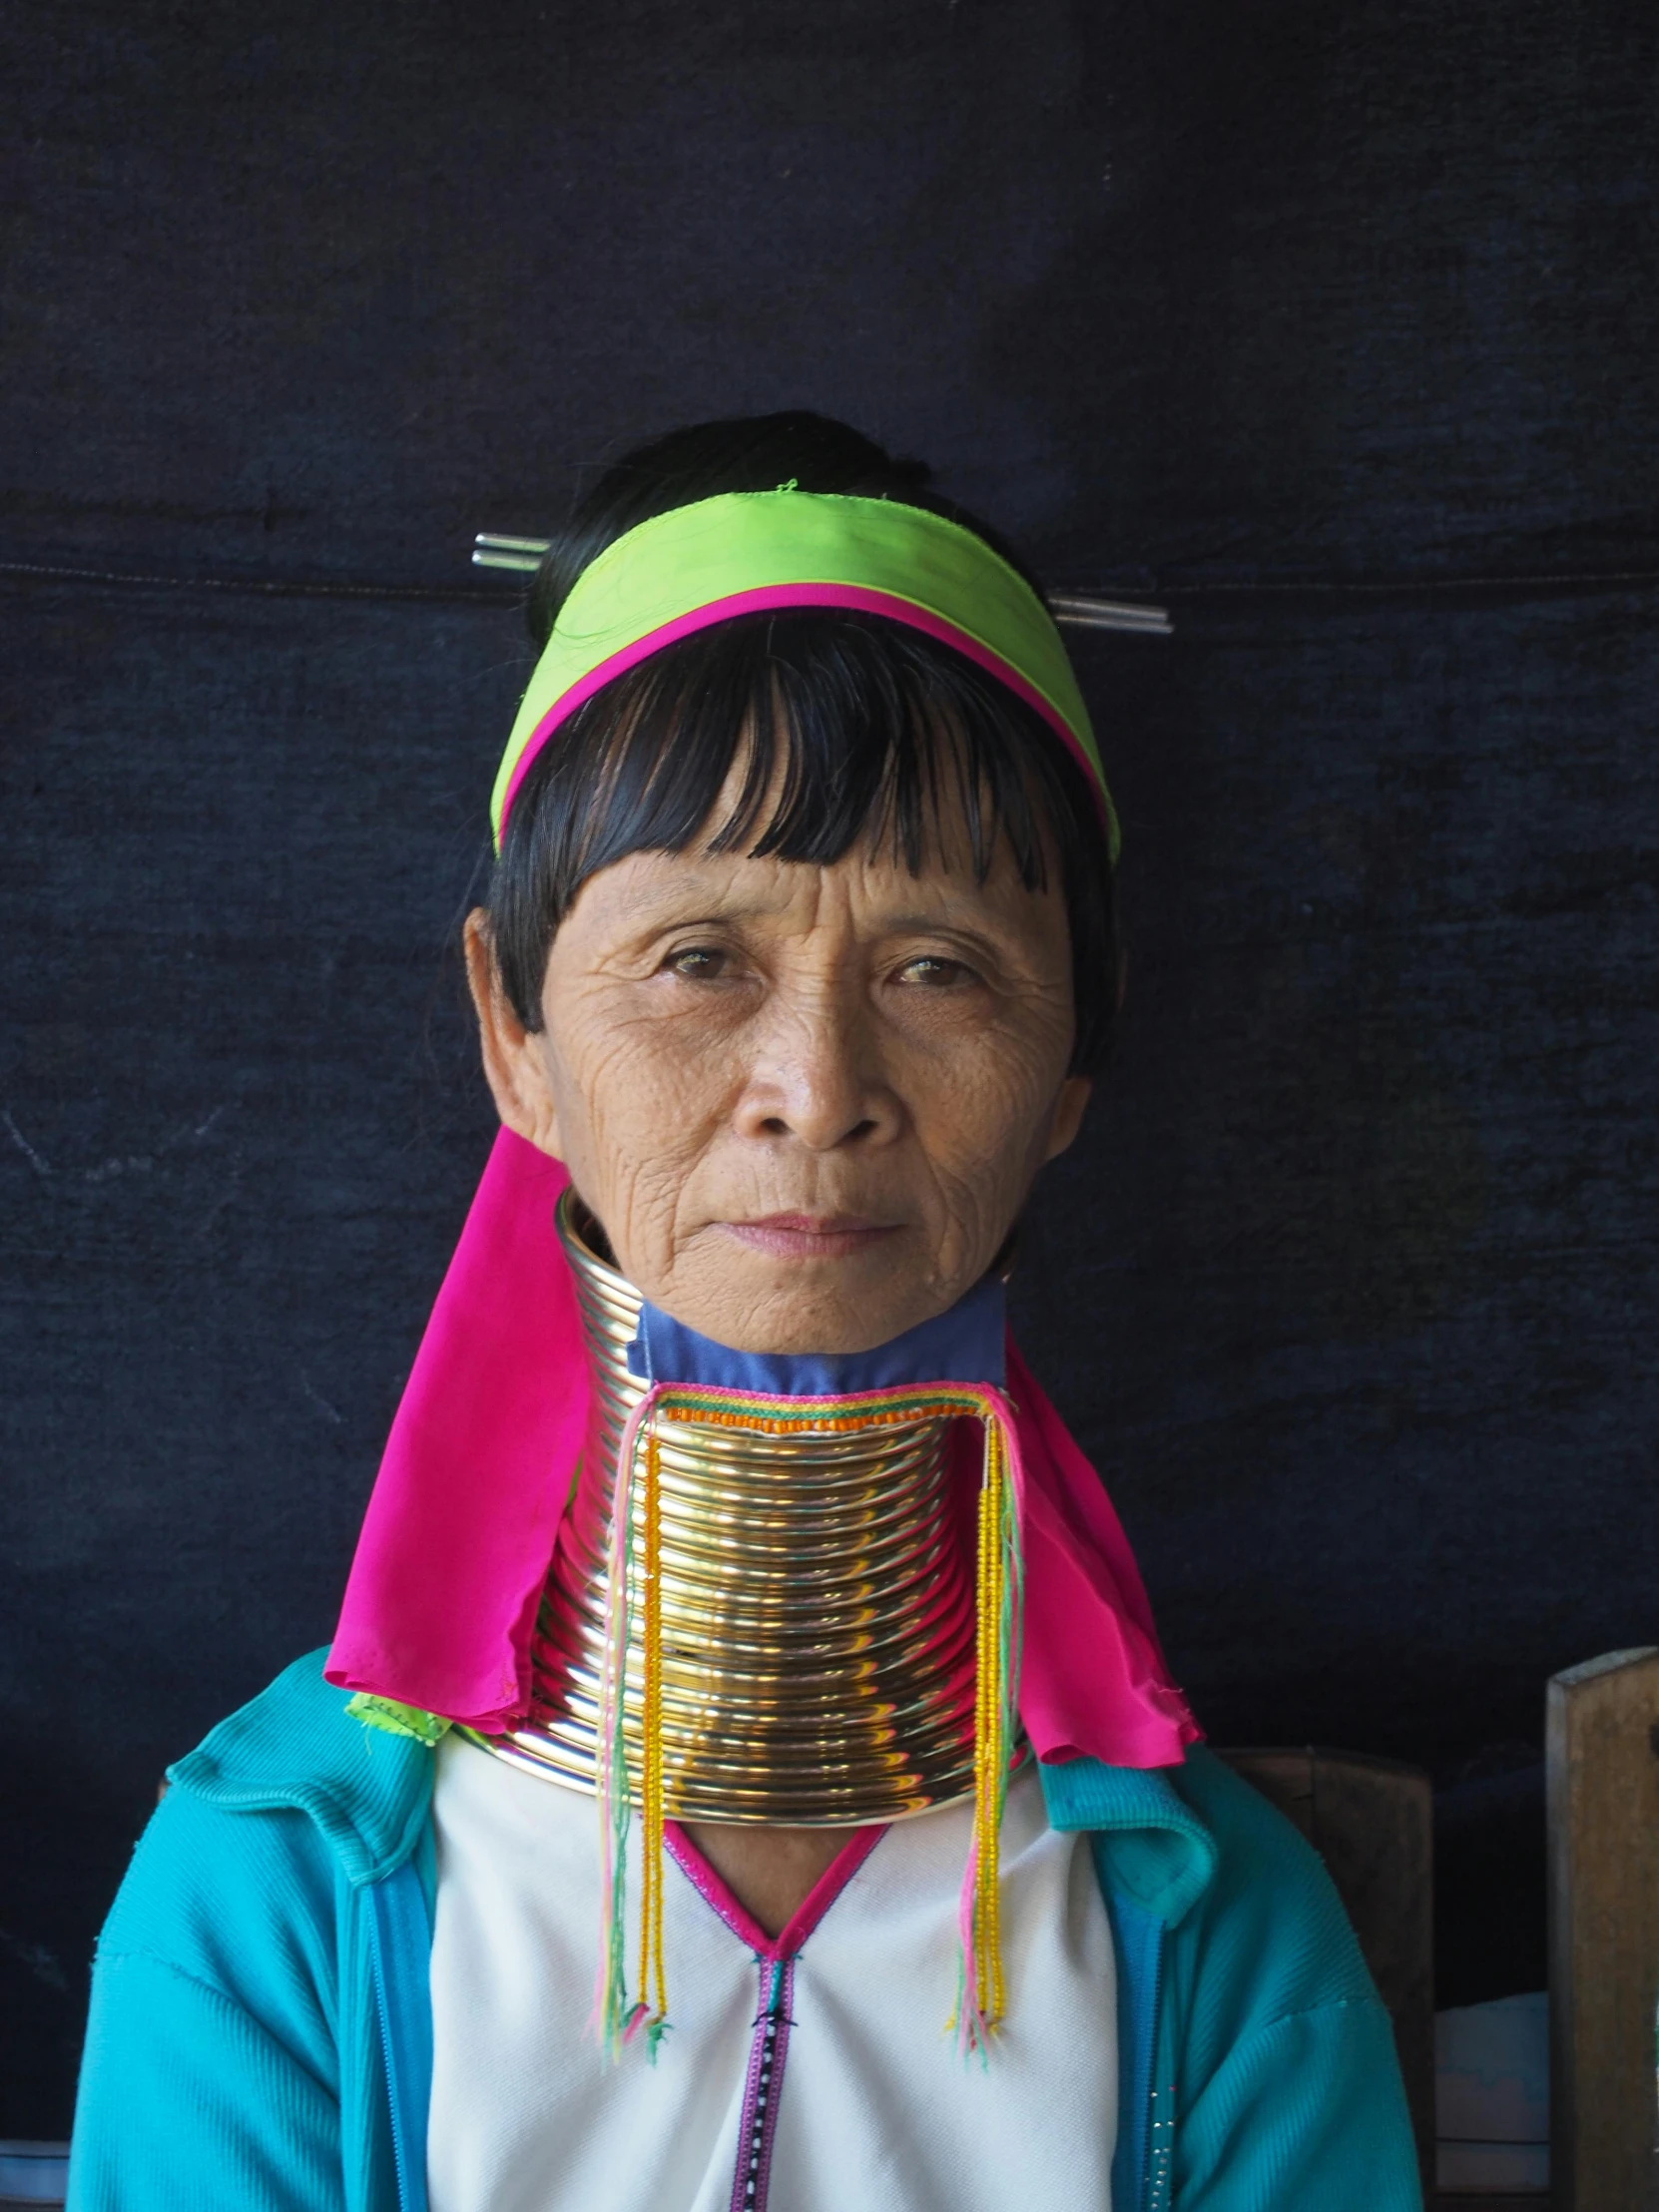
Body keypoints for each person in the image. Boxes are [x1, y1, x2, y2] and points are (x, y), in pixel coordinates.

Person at [67, 412, 1421, 2211]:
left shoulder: (1208, 1933)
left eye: (938, 969)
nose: (815, 1085)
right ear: (513, 1032)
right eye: (699, 960)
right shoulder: (283, 1889)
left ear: (1075, 1065)